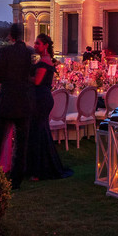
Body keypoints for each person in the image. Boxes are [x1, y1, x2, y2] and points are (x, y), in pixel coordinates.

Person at [0, 24, 35, 189]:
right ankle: (16, 180)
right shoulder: (29, 52)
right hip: (23, 102)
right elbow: (30, 75)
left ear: (10, 35)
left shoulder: (5, 52)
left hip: (7, 101)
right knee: (21, 144)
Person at [24, 34, 73, 181]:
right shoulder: (45, 60)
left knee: (38, 133)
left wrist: (23, 75)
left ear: (45, 45)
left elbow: (37, 81)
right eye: (35, 43)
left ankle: (39, 170)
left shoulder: (44, 62)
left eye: (38, 43)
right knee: (39, 131)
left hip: (41, 99)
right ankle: (37, 168)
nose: (35, 46)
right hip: (41, 98)